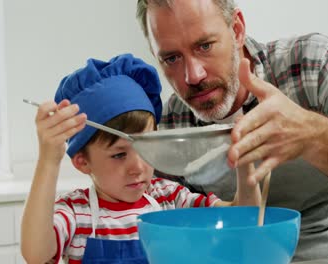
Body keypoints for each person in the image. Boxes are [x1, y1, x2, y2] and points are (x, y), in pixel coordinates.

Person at [136, 0, 328, 261]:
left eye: (204, 46)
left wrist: (315, 134)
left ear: (236, 30)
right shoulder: (171, 123)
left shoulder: (311, 63)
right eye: (171, 58)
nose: (193, 75)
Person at [20, 54, 261, 264]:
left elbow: (240, 221)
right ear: (83, 161)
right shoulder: (75, 213)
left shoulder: (168, 198)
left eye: (145, 148)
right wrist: (48, 161)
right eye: (119, 154)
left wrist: (245, 166)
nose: (138, 167)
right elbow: (36, 254)